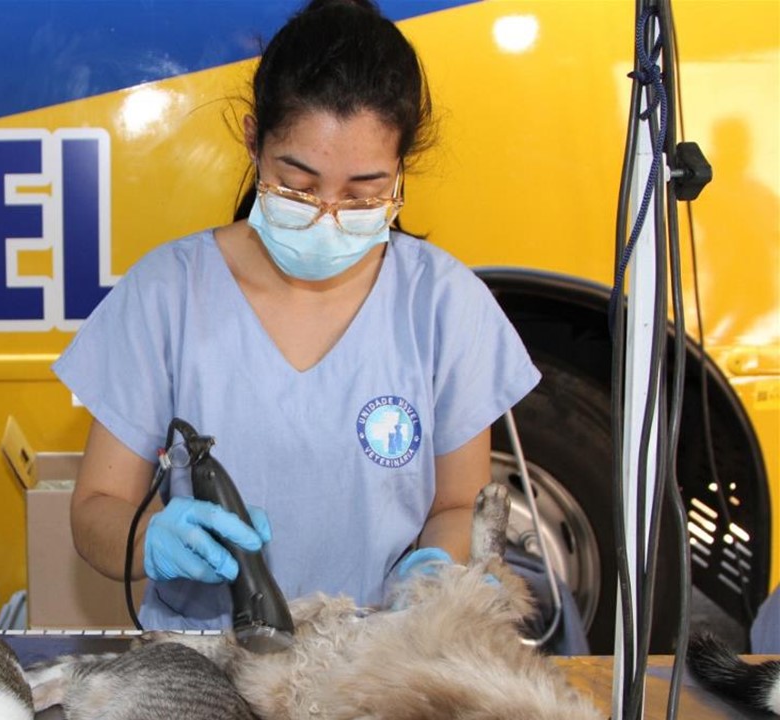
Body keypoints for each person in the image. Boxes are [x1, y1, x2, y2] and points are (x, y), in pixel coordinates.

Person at [52, 0, 541, 630]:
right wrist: (148, 538)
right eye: (300, 184)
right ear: (255, 141)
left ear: (399, 173)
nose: (327, 213)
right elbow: (95, 509)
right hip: (202, 663)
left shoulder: (444, 305)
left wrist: (436, 570)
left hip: (376, 659)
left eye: (363, 192)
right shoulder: (168, 293)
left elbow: (457, 504)